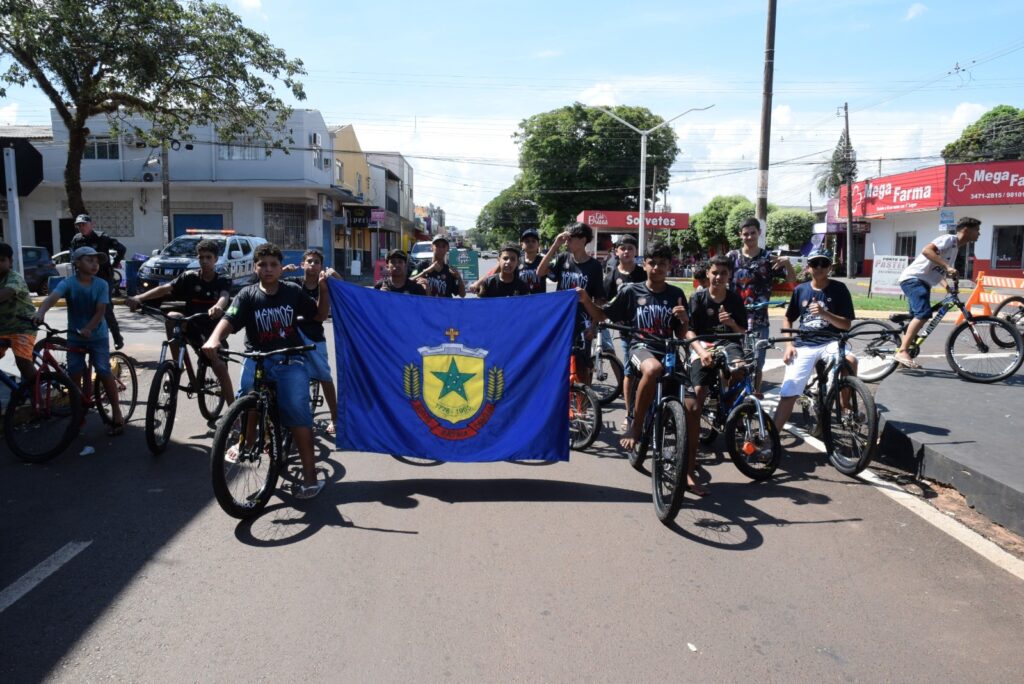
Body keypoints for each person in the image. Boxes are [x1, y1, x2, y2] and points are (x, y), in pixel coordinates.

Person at [202, 243, 329, 499]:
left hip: (289, 360)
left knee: (297, 413)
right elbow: (229, 319)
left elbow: (318, 316)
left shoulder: (292, 291)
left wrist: (324, 290)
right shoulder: (247, 295)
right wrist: (214, 339)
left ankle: (310, 476)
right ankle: (246, 442)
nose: (268, 269)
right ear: (255, 267)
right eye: (263, 265)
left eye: (273, 265)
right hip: (257, 359)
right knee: (246, 399)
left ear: (281, 268)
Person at [578, 241, 689, 459]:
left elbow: (681, 333)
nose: (657, 268)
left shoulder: (676, 293)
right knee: (653, 369)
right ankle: (635, 426)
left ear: (669, 267)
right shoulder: (631, 291)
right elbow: (602, 315)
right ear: (644, 265)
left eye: (662, 264)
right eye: (652, 263)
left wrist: (684, 319)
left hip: (668, 351)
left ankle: (687, 464)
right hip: (641, 348)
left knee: (692, 406)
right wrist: (585, 300)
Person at [126, 239, 234, 407]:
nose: (204, 261)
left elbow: (224, 296)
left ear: (216, 259)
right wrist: (139, 298)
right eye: (201, 257)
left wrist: (218, 307)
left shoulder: (222, 279)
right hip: (190, 323)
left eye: (208, 257)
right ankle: (178, 365)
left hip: (212, 330)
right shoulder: (189, 276)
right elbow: (165, 289)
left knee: (219, 366)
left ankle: (234, 413)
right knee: (172, 316)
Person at [34, 246, 126, 435]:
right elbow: (52, 298)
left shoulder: (101, 284)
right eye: (89, 260)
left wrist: (89, 328)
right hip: (75, 337)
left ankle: (117, 413)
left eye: (96, 261)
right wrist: (40, 312)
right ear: (76, 263)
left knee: (102, 370)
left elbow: (101, 311)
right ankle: (78, 415)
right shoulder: (69, 283)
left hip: (97, 335)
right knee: (74, 374)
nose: (94, 264)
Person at [683, 255, 749, 496]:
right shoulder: (698, 297)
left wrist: (731, 323)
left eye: (723, 273)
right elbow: (688, 331)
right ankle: (690, 460)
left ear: (729, 276)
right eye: (715, 272)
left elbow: (742, 332)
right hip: (703, 345)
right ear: (707, 275)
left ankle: (731, 412)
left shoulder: (734, 299)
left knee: (741, 368)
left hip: (728, 343)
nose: (719, 277)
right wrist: (700, 351)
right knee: (696, 398)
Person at [772, 249, 857, 433]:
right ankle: (770, 440)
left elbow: (846, 324)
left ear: (829, 268)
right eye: (814, 264)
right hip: (804, 344)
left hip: (830, 341)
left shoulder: (839, 289)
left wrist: (825, 314)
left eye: (823, 264)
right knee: (789, 391)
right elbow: (788, 319)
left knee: (850, 360)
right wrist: (789, 345)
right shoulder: (800, 290)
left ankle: (844, 406)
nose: (819, 267)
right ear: (808, 267)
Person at [894, 217, 982, 369]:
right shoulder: (948, 239)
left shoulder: (955, 249)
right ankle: (902, 351)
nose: (979, 234)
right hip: (914, 279)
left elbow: (938, 269)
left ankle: (903, 356)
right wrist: (948, 267)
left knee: (916, 319)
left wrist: (947, 287)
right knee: (923, 314)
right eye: (977, 230)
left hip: (923, 282)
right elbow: (927, 251)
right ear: (966, 230)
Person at [725, 217, 796, 393]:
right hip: (734, 318)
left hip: (760, 320)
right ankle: (732, 398)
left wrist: (787, 263)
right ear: (740, 236)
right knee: (733, 361)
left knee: (758, 362)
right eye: (745, 234)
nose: (749, 237)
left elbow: (792, 281)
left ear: (759, 233)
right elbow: (716, 277)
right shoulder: (732, 257)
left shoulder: (768, 258)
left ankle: (754, 396)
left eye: (753, 233)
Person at [537, 221, 607, 385]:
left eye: (570, 238)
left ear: (583, 240)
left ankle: (583, 401)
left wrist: (594, 325)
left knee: (582, 365)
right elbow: (540, 272)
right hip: (561, 320)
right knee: (559, 361)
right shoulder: (563, 259)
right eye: (565, 238)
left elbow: (599, 298)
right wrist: (555, 245)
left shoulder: (594, 266)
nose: (566, 242)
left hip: (582, 322)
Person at [282, 249, 342, 436]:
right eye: (309, 261)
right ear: (302, 265)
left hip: (315, 335)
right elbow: (270, 284)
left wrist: (335, 275)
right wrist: (282, 270)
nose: (313, 265)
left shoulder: (325, 283)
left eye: (317, 262)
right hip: (291, 335)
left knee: (324, 375)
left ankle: (335, 418)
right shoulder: (293, 283)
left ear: (321, 266)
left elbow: (345, 290)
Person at [602, 235, 647, 428]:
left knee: (646, 371)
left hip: (646, 329)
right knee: (630, 371)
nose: (626, 251)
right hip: (626, 330)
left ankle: (647, 410)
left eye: (630, 248)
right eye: (623, 248)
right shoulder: (612, 275)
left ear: (635, 252)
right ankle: (629, 415)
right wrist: (615, 317)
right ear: (617, 251)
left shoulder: (643, 273)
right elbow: (605, 301)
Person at [69, 214, 127, 350]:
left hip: (103, 278)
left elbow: (122, 249)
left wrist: (114, 263)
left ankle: (117, 337)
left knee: (106, 309)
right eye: (79, 225)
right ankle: (88, 338)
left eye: (84, 224)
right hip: (84, 278)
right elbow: (74, 257)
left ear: (91, 224)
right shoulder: (76, 239)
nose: (81, 227)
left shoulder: (103, 238)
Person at [0, 242, 38, 385]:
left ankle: (37, 394)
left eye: (2, 260)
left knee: (22, 360)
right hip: (3, 329)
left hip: (23, 326)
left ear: (10, 262)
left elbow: (8, 292)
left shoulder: (14, 277)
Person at [470, 228, 548, 294]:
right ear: (522, 245)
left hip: (539, 303)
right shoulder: (514, 259)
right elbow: (492, 273)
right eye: (527, 241)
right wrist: (478, 283)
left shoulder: (544, 261)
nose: (530, 243)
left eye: (533, 241)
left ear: (538, 244)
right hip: (519, 300)